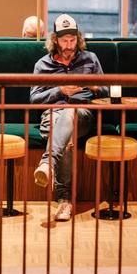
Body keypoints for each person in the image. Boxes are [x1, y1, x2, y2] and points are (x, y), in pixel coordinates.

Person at [31, 14, 108, 221]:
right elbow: (34, 99)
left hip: (82, 114)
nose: (69, 45)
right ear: (55, 40)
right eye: (64, 40)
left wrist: (93, 85)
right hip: (52, 117)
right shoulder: (42, 65)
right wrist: (60, 91)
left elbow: (107, 91)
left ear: (78, 38)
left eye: (73, 40)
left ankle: (48, 164)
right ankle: (65, 201)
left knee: (71, 113)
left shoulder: (90, 59)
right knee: (66, 138)